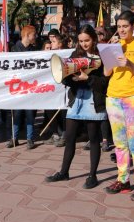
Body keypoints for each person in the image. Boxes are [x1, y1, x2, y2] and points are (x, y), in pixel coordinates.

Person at [45, 25, 108, 189]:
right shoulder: (76, 54)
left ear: (93, 38)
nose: (84, 44)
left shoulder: (102, 56)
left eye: (87, 40)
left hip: (94, 101)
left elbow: (104, 84)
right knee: (70, 137)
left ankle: (92, 175)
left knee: (94, 139)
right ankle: (64, 172)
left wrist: (87, 79)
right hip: (76, 101)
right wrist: (69, 79)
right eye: (81, 41)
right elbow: (65, 78)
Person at [103, 10, 134, 202]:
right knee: (119, 143)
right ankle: (122, 179)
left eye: (125, 26)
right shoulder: (114, 44)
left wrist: (129, 63)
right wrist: (109, 53)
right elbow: (107, 73)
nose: (122, 30)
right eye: (119, 27)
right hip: (113, 97)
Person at [6, 25, 37, 150]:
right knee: (17, 114)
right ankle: (14, 138)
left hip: (29, 87)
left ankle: (30, 139)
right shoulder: (14, 49)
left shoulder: (33, 50)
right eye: (34, 34)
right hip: (17, 87)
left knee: (30, 114)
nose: (35, 37)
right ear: (27, 35)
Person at [43, 34, 67, 147]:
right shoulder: (47, 55)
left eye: (53, 41)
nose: (51, 43)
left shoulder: (66, 54)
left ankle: (64, 135)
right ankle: (56, 133)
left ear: (60, 44)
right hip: (51, 89)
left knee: (63, 112)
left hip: (63, 89)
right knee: (49, 110)